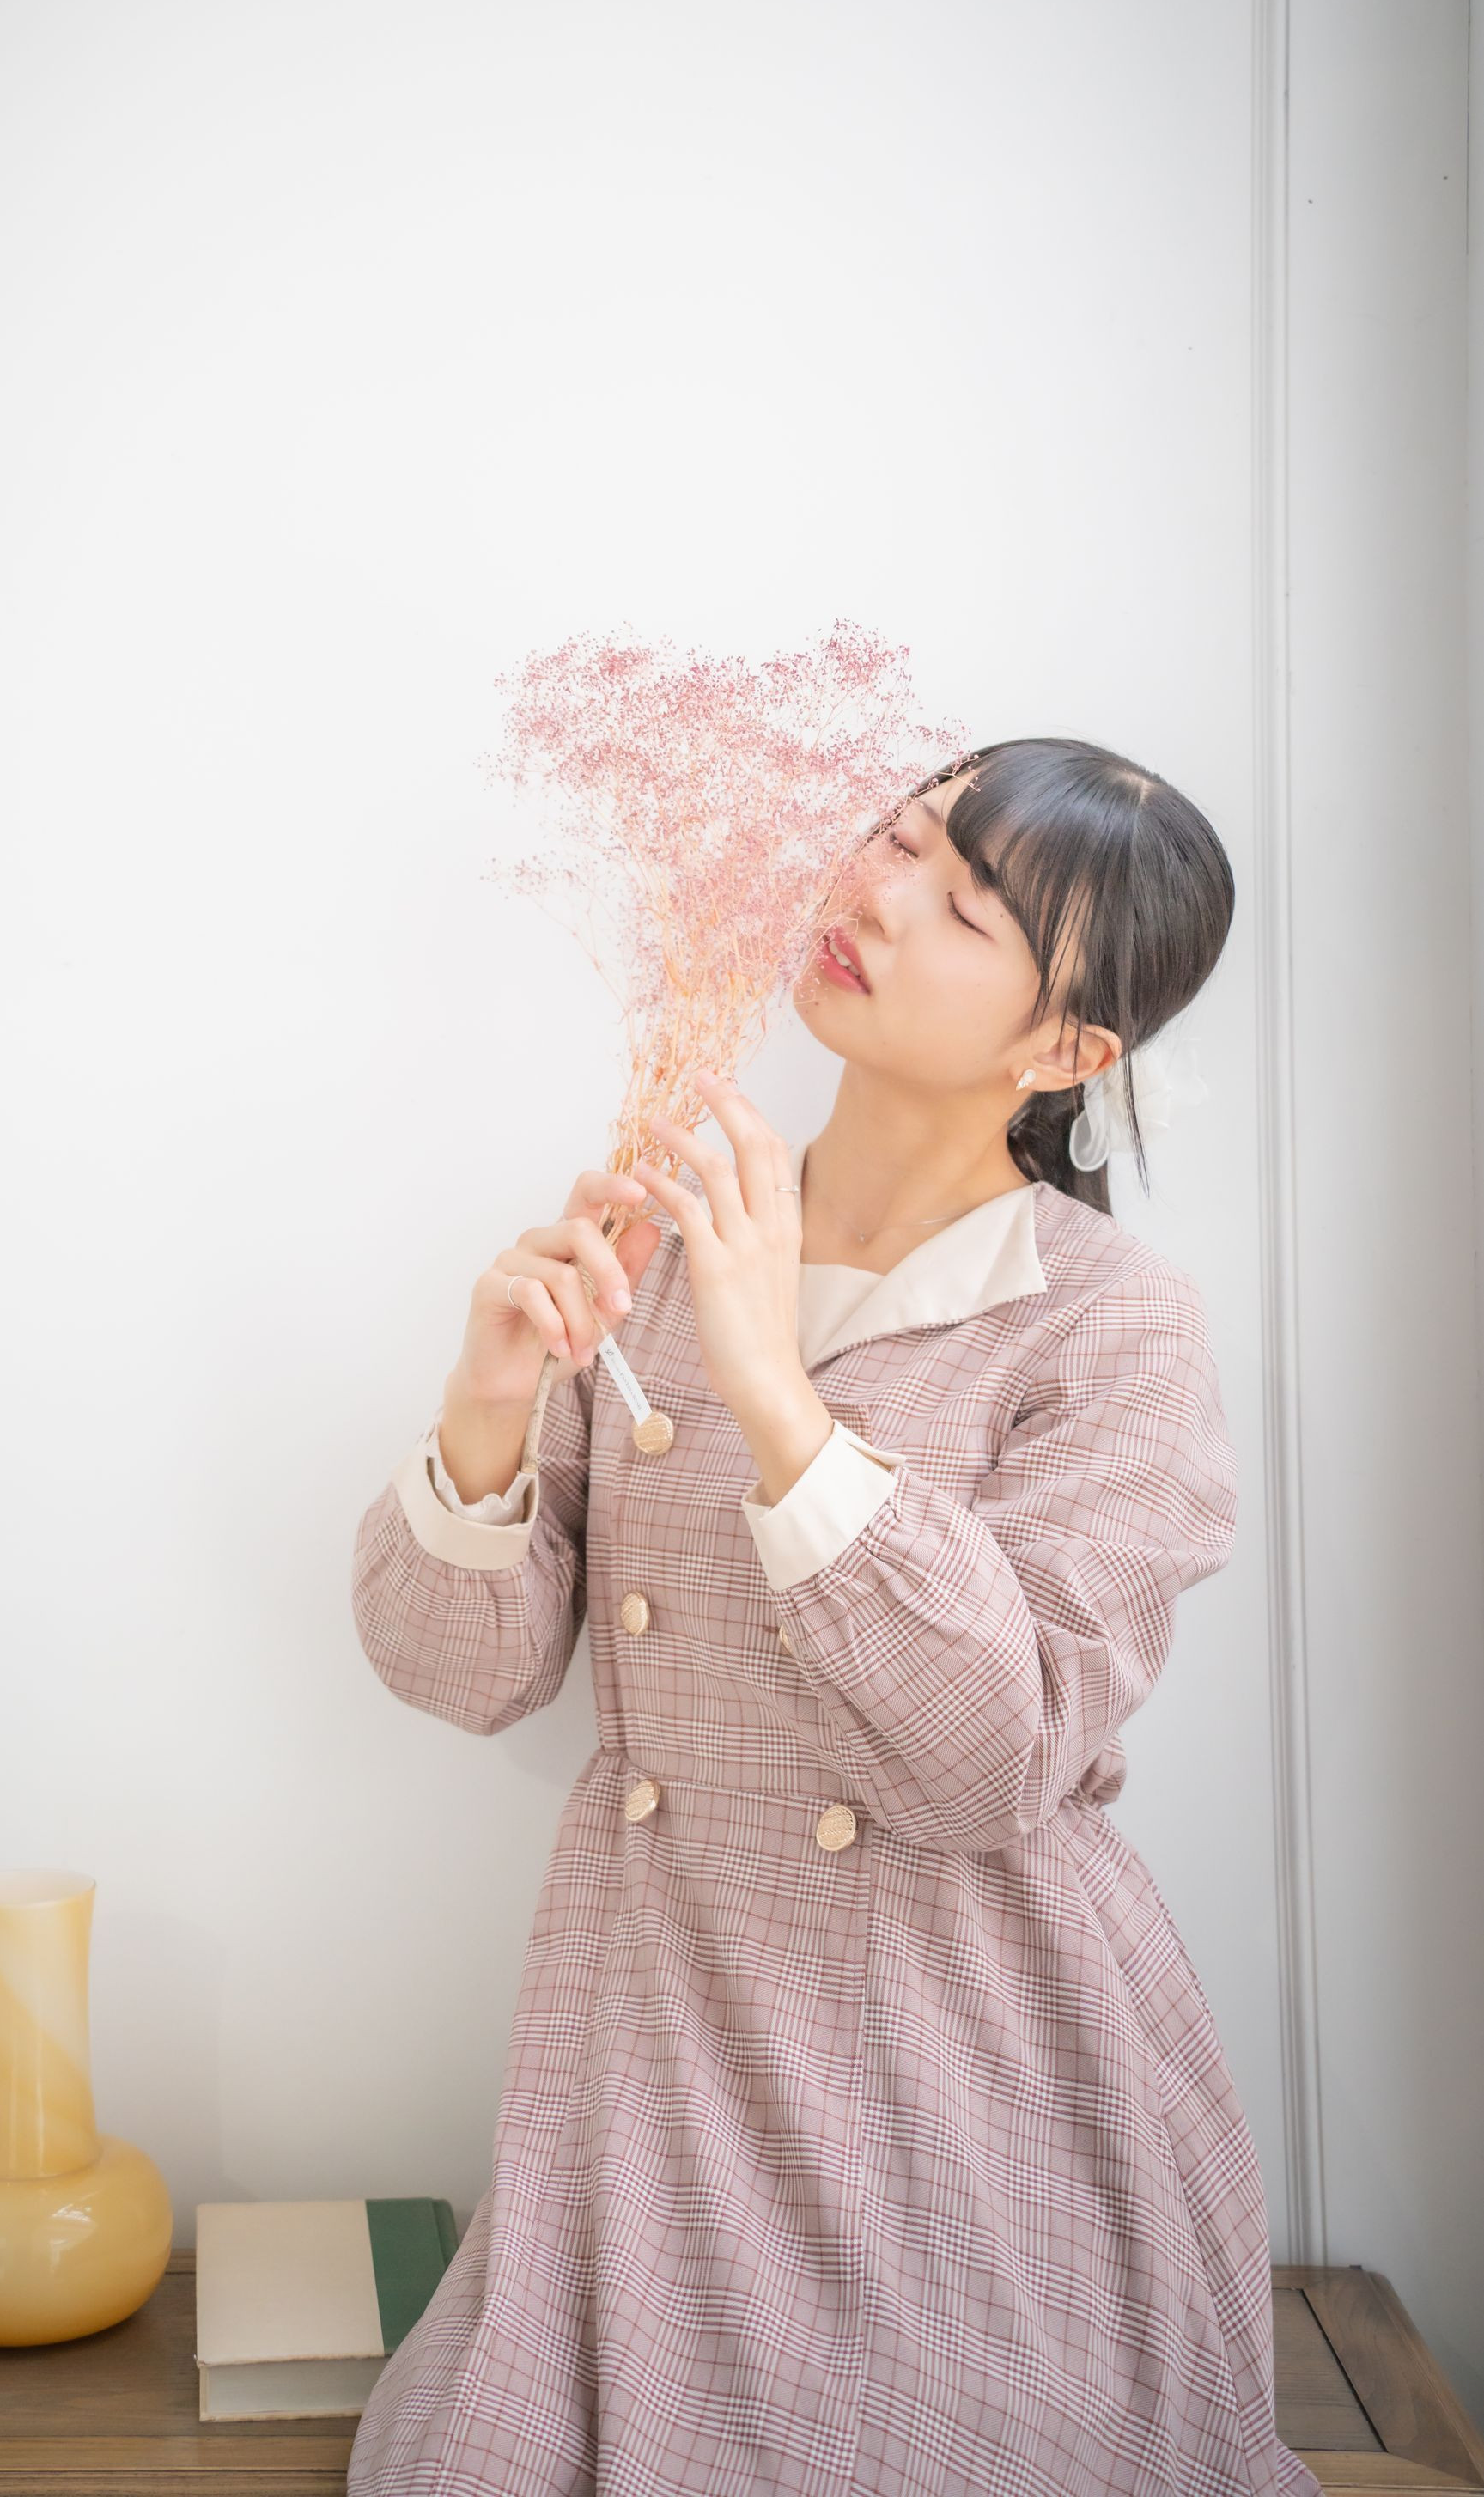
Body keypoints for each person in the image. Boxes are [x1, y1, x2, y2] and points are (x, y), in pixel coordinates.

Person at [345, 735, 1321, 2497]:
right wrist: (485, 1404)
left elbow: (991, 1756)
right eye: (895, 836)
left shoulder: (1110, 1323)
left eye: (963, 905)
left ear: (1064, 1051)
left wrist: (773, 1391)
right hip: (649, 2044)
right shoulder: (670, 1230)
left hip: (960, 2067)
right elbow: (463, 1676)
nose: (874, 893)